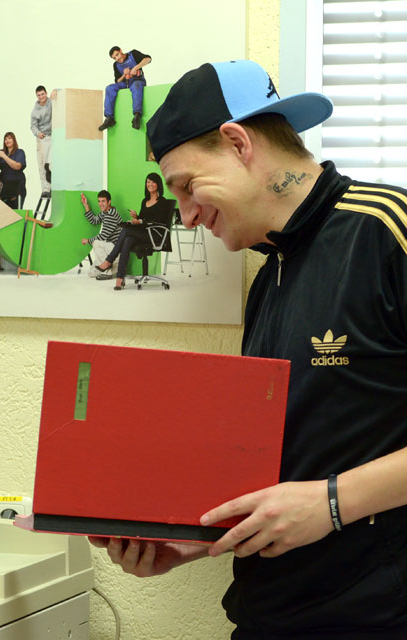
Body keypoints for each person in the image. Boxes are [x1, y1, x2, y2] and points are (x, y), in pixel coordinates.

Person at [92, 59, 407, 638]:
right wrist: (197, 538)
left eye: (187, 186)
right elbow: (284, 462)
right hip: (267, 617)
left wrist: (333, 503)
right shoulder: (270, 276)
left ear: (238, 143)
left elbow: (320, 494)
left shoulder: (386, 230)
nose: (184, 214)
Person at [93, 173, 172, 290]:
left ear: (158, 184)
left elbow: (157, 222)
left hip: (155, 236)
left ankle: (109, 261)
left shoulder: (162, 202)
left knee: (125, 231)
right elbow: (144, 219)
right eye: (148, 182)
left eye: (153, 182)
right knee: (128, 240)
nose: (149, 184)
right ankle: (120, 279)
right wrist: (136, 217)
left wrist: (139, 221)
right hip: (144, 234)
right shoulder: (144, 201)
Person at [0, 132, 26, 267]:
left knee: (14, 221)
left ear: (14, 140)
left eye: (10, 138)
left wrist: (3, 156)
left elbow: (17, 166)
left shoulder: (19, 152)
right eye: (5, 139)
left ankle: (14, 257)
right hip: (3, 191)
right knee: (0, 223)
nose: (7, 140)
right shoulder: (0, 153)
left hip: (16, 190)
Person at [98, 46, 151, 132]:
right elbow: (117, 81)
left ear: (121, 51)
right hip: (125, 83)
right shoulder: (116, 65)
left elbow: (148, 59)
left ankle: (137, 116)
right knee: (110, 88)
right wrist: (123, 74)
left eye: (117, 55)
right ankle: (109, 118)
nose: (117, 58)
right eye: (114, 58)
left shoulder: (133, 54)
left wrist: (135, 68)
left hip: (137, 80)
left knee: (136, 86)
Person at [82, 190, 122, 279]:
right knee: (91, 273)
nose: (100, 204)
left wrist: (88, 241)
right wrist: (86, 205)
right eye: (99, 201)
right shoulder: (105, 212)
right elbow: (94, 220)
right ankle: (114, 269)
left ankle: (108, 272)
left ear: (109, 202)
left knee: (96, 242)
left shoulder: (111, 215)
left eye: (103, 201)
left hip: (116, 251)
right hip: (109, 250)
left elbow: (103, 236)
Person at [30, 85, 53, 197]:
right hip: (42, 138)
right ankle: (45, 189)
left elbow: (59, 92)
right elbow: (33, 126)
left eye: (42, 94)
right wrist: (38, 133)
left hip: (54, 136)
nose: (41, 96)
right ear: (37, 96)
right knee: (42, 164)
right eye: (39, 95)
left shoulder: (52, 102)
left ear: (46, 93)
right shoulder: (35, 111)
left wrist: (55, 91)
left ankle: (53, 186)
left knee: (52, 163)